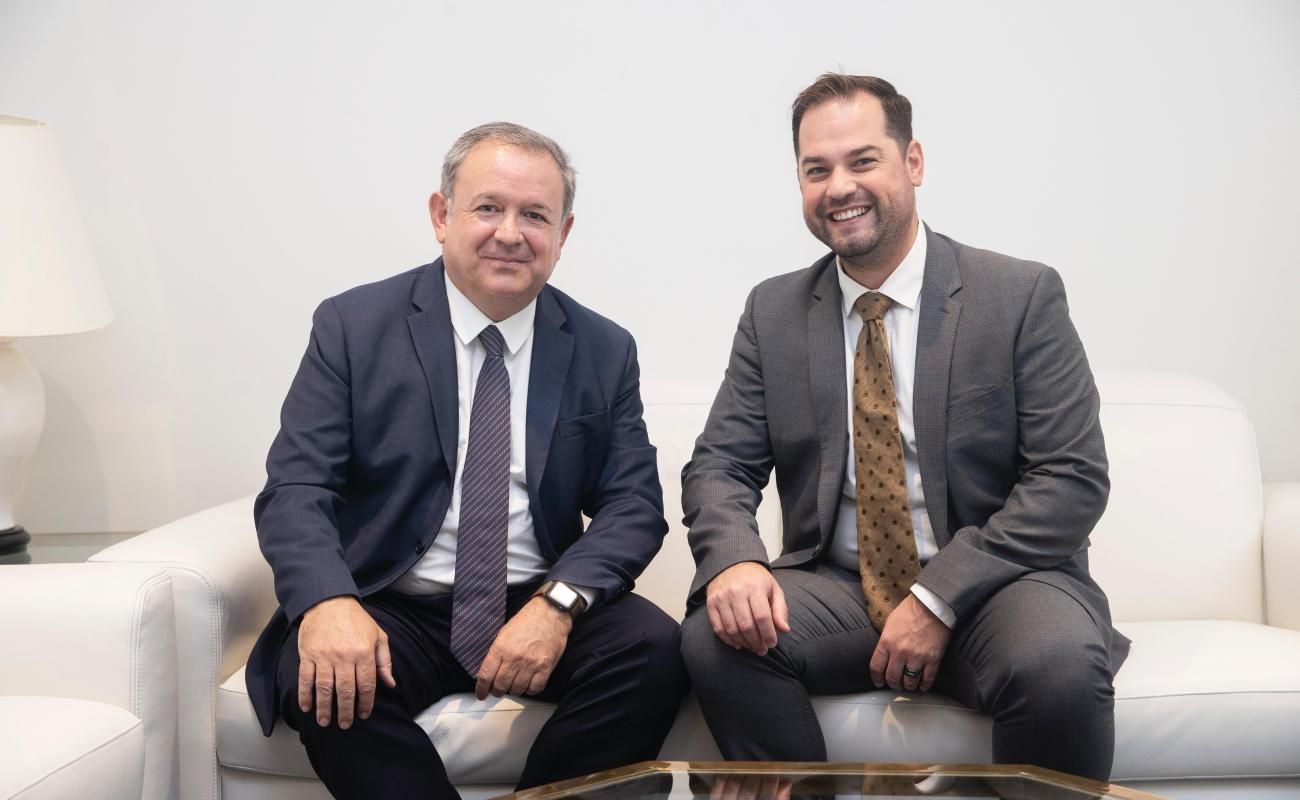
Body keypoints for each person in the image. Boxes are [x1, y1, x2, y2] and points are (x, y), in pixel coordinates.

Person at [679, 74, 1129, 782]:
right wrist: (734, 558)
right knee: (718, 634)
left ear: (912, 163)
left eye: (862, 161)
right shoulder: (773, 313)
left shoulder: (1017, 295)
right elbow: (719, 467)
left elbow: (1070, 479)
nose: (839, 187)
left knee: (1057, 666)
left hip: (998, 585)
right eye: (815, 170)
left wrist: (938, 596)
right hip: (843, 587)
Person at [246, 121, 688, 799]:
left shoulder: (603, 348)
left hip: (533, 597)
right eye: (488, 207)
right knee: (322, 680)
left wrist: (557, 604)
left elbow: (633, 506)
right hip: (394, 600)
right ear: (440, 215)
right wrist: (328, 602)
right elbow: (298, 487)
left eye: (534, 215)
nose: (510, 233)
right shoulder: (353, 326)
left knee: (656, 650)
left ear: (563, 234)